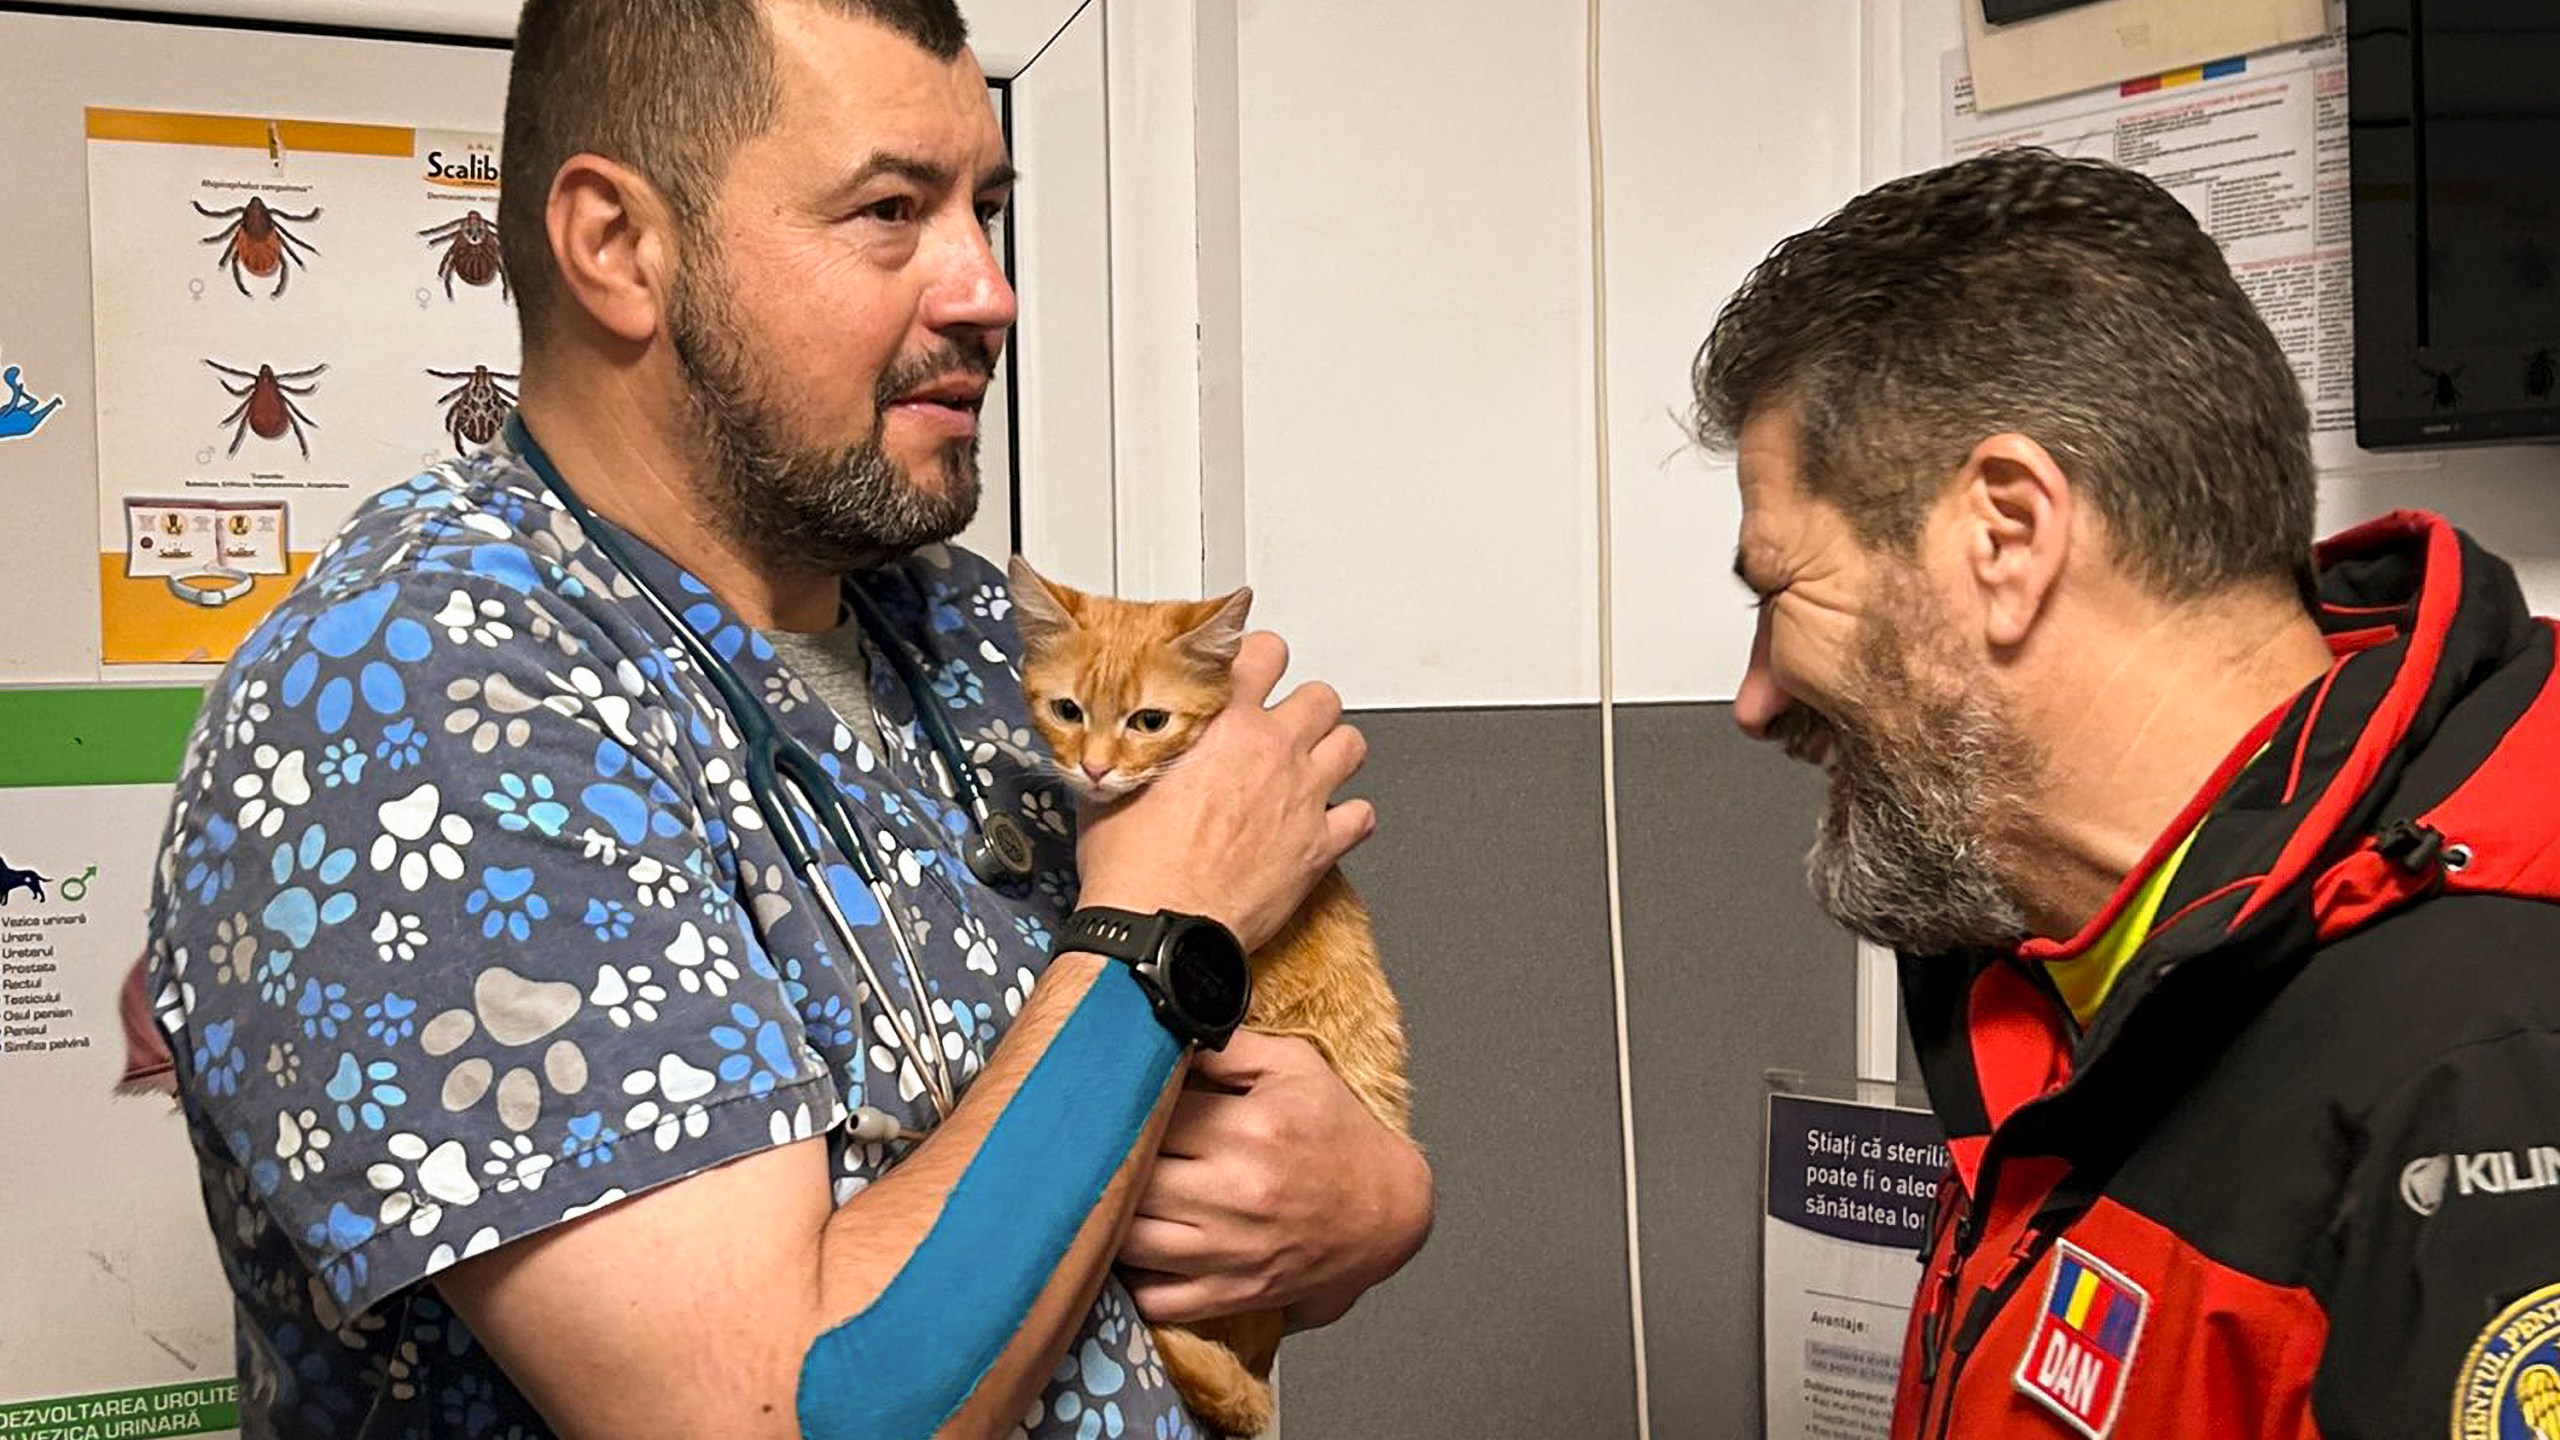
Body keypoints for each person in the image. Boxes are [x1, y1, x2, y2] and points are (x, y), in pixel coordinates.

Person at [138, 2, 1432, 1435]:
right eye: (892, 210)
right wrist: (1157, 930)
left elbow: (1117, 1143)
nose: (989, 288)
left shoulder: (965, 638)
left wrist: (1370, 1198)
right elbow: (782, 1413)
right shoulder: (422, 699)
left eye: (987, 210)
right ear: (618, 246)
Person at [1698, 145, 2560, 1439]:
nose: (1755, 698)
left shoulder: (2486, 1074)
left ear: (2007, 538)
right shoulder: (2057, 963)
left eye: (1780, 591)